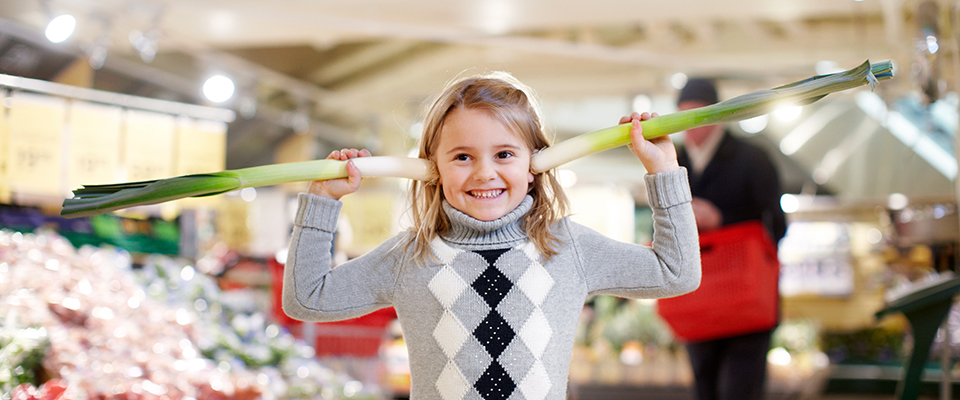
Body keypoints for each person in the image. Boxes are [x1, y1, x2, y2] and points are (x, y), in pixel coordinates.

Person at [283, 72, 701, 400]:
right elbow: (307, 298)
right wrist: (322, 201)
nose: (485, 172)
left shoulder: (567, 247)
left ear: (533, 164)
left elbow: (676, 272)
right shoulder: (411, 255)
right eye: (463, 156)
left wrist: (664, 171)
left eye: (504, 154)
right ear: (434, 168)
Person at [675, 77, 788, 400]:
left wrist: (721, 220)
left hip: (747, 299)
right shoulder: (674, 162)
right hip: (698, 299)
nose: (690, 127)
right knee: (704, 388)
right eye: (682, 116)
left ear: (715, 115)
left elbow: (776, 225)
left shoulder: (753, 159)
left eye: (697, 115)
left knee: (741, 389)